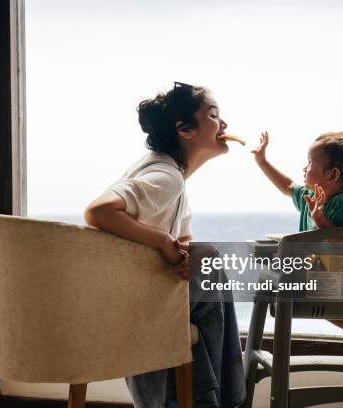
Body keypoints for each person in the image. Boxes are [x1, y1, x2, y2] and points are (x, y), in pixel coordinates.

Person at [84, 82, 246, 407]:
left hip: (130, 300)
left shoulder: (171, 179)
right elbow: (98, 211)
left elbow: (183, 243)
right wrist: (162, 241)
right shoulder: (166, 177)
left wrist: (188, 253)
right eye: (213, 115)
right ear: (185, 130)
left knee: (207, 264)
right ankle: (225, 399)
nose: (224, 124)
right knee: (214, 273)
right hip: (135, 307)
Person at [252, 130, 343, 368]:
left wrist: (321, 222)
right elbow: (287, 186)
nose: (304, 168)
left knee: (280, 284)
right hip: (326, 280)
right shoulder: (310, 197)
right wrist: (263, 162)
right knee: (280, 279)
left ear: (332, 174)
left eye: (310, 162)